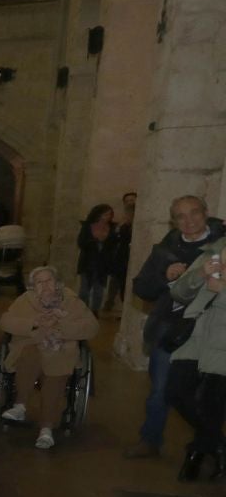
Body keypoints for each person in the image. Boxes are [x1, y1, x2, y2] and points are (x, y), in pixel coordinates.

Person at [128, 194, 225, 459]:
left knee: (208, 395)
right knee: (163, 389)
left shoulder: (220, 245)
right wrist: (165, 277)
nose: (189, 220)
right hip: (173, 329)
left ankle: (204, 446)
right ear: (173, 221)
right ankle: (150, 439)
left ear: (205, 213)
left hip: (215, 330)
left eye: (194, 213)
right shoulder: (165, 250)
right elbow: (141, 288)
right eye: (181, 216)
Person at [0, 264, 99, 449]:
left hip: (60, 350)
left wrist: (63, 329)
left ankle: (46, 429)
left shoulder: (71, 301)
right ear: (32, 287)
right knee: (31, 353)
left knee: (56, 369)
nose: (44, 285)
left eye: (49, 280)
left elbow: (92, 326)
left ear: (58, 283)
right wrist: (33, 323)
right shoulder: (25, 301)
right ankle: (20, 406)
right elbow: (5, 321)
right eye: (39, 282)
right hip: (31, 347)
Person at [166, 236, 226, 481]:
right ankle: (219, 446)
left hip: (223, 341)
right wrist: (200, 274)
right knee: (176, 392)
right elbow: (179, 293)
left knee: (212, 404)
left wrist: (221, 292)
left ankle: (196, 455)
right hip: (195, 335)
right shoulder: (209, 253)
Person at [75, 204, 121, 311]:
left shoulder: (113, 228)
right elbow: (81, 242)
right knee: (84, 291)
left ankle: (94, 312)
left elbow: (114, 245)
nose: (108, 217)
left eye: (110, 214)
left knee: (99, 291)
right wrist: (94, 241)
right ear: (98, 214)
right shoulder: (88, 226)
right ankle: (82, 311)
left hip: (103, 264)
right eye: (105, 214)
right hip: (88, 262)